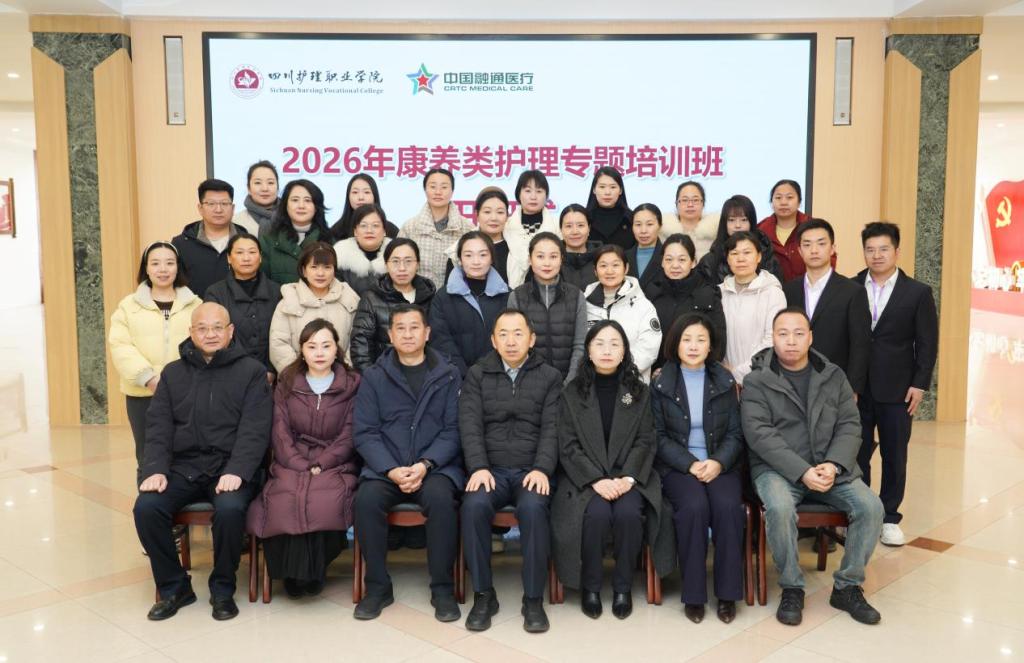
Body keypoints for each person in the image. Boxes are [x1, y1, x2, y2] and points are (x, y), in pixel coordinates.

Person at [741, 308, 884, 627]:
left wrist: (833, 464)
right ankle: (792, 586)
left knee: (871, 507)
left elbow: (850, 424)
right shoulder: (757, 381)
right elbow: (760, 435)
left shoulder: (834, 376)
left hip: (830, 468)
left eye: (798, 333)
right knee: (779, 508)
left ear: (810, 338)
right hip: (778, 469)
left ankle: (847, 587)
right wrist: (802, 472)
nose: (791, 341)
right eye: (783, 334)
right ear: (772, 338)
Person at [133, 302, 272, 622]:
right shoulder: (173, 374)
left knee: (230, 509)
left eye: (217, 328)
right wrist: (154, 469)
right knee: (147, 507)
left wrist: (238, 470)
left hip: (229, 466)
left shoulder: (251, 372)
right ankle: (174, 587)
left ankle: (222, 588)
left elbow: (255, 429)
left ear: (230, 331)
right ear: (191, 332)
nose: (210, 334)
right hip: (183, 467)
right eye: (202, 328)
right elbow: (158, 428)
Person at [552, 320, 671, 620]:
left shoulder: (639, 392)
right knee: (597, 514)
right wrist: (595, 480)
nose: (607, 351)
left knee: (628, 514)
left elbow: (646, 440)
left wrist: (627, 478)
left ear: (624, 352)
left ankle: (622, 587)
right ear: (588, 350)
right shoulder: (572, 393)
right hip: (585, 477)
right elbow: (568, 446)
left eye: (614, 344)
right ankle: (591, 587)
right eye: (600, 344)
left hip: (629, 476)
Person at [352, 304, 464, 622]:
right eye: (400, 328)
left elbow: (453, 430)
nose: (408, 334)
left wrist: (425, 464)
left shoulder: (448, 374)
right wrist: (390, 469)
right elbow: (365, 432)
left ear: (427, 333)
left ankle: (442, 589)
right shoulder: (374, 376)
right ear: (390, 335)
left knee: (442, 500)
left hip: (435, 467)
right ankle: (377, 587)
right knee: (366, 501)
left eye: (414, 327)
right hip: (386, 468)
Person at [459, 309, 562, 633]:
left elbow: (553, 428)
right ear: (493, 340)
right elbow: (470, 426)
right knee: (473, 506)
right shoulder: (477, 374)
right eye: (503, 334)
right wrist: (478, 466)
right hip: (490, 470)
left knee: (533, 508)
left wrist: (542, 468)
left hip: (531, 470)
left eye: (518, 333)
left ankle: (532, 599)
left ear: (532, 339)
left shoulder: (550, 377)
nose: (511, 341)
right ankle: (483, 595)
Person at [246, 319, 360, 597]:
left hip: (336, 462)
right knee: (285, 496)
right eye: (311, 346)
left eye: (326, 346)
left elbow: (350, 433)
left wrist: (323, 463)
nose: (319, 352)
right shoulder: (287, 382)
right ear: (302, 350)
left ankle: (314, 571)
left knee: (323, 498)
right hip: (291, 459)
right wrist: (298, 463)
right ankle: (290, 574)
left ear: (337, 349)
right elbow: (279, 430)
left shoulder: (353, 383)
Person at [651, 313, 744, 623]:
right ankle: (694, 595)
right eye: (686, 339)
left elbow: (735, 434)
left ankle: (727, 594)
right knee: (693, 507)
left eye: (700, 340)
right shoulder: (661, 382)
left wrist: (717, 462)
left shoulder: (725, 382)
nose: (693, 346)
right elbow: (657, 437)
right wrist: (690, 464)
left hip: (719, 464)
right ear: (675, 344)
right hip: (678, 467)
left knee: (728, 507)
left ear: (711, 346)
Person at [855, 222, 938, 546]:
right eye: (870, 249)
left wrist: (920, 384)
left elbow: (927, 343)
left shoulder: (917, 292)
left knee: (894, 455)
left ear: (897, 251)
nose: (876, 255)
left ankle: (890, 517)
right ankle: (862, 513)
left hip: (899, 388)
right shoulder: (850, 287)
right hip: (857, 388)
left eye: (883, 249)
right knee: (856, 453)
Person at [109, 242, 200, 469]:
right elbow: (120, 345)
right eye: (155, 263)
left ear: (178, 267)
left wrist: (181, 381)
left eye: (169, 263)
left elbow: (203, 345)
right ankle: (150, 490)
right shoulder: (128, 306)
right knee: (148, 452)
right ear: (146, 268)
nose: (163, 269)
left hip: (187, 392)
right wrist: (148, 378)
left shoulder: (195, 304)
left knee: (186, 451)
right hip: (143, 393)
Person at [781, 218, 871, 396]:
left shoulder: (853, 291)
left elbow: (860, 345)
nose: (814, 250)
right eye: (807, 245)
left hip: (836, 384)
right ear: (799, 250)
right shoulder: (788, 290)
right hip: (793, 383)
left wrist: (852, 389)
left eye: (821, 244)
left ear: (832, 248)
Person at [506, 232, 586, 382]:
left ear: (561, 259)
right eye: (540, 256)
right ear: (530, 259)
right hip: (528, 383)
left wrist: (569, 383)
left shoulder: (576, 296)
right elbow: (514, 345)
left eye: (553, 256)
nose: (547, 263)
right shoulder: (517, 296)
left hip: (569, 383)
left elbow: (580, 345)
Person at [269, 242, 360, 373]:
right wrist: (298, 376)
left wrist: (343, 373)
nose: (320, 273)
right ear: (304, 271)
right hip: (297, 379)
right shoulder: (288, 301)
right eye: (314, 267)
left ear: (334, 270)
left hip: (343, 378)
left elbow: (357, 342)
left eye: (327, 267)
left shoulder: (349, 299)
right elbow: (278, 344)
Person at [429, 231, 510, 376]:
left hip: (499, 376)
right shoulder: (443, 297)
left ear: (492, 258)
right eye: (468, 255)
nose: (476, 261)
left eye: (483, 255)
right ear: (459, 259)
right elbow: (441, 341)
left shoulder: (507, 296)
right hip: (455, 377)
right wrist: (464, 375)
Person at [350, 238, 436, 371]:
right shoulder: (371, 298)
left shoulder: (430, 296)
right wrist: (373, 378)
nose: (402, 268)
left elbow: (440, 341)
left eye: (408, 261)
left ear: (418, 264)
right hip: (383, 374)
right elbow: (361, 345)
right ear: (386, 264)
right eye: (395, 261)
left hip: (425, 373)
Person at [204, 233, 281, 377]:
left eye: (252, 252)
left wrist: (271, 369)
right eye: (239, 252)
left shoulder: (276, 291)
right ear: (229, 258)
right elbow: (215, 336)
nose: (246, 258)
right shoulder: (215, 293)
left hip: (271, 375)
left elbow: (281, 334)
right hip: (229, 373)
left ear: (260, 257)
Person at [645, 234, 726, 369]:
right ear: (662, 262)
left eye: (682, 259)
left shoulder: (708, 295)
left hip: (695, 372)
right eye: (669, 259)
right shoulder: (651, 293)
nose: (675, 265)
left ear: (693, 262)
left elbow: (718, 345)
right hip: (655, 373)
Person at [583, 245, 661, 381]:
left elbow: (649, 349)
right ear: (595, 271)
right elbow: (580, 345)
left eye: (615, 265)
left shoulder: (643, 306)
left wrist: (621, 372)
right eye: (603, 266)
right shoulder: (584, 304)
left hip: (632, 382)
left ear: (626, 268)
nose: (609, 271)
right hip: (592, 381)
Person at [718, 231, 786, 385]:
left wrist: (737, 372)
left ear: (759, 257)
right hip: (724, 380)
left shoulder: (773, 293)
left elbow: (772, 340)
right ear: (728, 259)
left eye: (747, 252)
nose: (741, 258)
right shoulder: (719, 293)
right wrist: (723, 372)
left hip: (761, 380)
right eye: (734, 253)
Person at [399, 168, 474, 288]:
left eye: (444, 187)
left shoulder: (467, 228)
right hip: (417, 295)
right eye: (433, 187)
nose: (438, 192)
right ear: (425, 190)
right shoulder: (410, 227)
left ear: (452, 191)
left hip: (454, 295)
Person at [172, 179, 246, 298]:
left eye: (224, 204)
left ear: (233, 208)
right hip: (196, 309)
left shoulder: (247, 242)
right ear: (200, 208)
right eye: (211, 204)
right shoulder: (181, 244)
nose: (218, 209)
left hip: (238, 309)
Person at [758, 179, 836, 282]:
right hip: (770, 289)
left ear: (799, 202)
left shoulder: (814, 228)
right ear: (772, 203)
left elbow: (829, 258)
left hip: (809, 288)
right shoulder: (761, 230)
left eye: (789, 197)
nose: (783, 202)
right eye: (778, 198)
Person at [697, 194, 783, 286]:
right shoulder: (709, 261)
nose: (737, 225)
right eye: (731, 220)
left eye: (744, 220)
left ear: (752, 222)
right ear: (724, 224)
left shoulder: (767, 255)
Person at [260, 179, 332, 285]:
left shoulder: (331, 240)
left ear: (316, 206)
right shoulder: (268, 241)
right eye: (295, 200)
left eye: (308, 200)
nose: (301, 206)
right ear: (285, 205)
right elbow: (262, 283)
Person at [505, 170, 560, 287]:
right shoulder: (506, 226)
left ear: (546, 195)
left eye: (539, 191)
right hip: (513, 290)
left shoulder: (558, 226)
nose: (533, 197)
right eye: (528, 191)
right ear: (518, 194)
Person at [447, 188, 511, 285]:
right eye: (487, 212)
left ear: (507, 216)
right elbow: (449, 289)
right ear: (477, 214)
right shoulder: (457, 250)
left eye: (500, 212)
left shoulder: (518, 248)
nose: (494, 218)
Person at [333, 203, 391, 297]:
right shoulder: (339, 257)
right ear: (355, 231)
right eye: (363, 226)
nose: (369, 230)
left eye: (375, 225)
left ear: (384, 231)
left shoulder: (396, 256)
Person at [330, 173, 399, 241]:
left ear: (374, 196)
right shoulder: (336, 231)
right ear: (348, 197)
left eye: (366, 192)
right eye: (355, 192)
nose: (361, 197)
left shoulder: (391, 230)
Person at [660, 181, 718, 260]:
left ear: (703, 203)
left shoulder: (716, 232)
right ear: (676, 204)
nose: (690, 205)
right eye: (685, 200)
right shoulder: (662, 233)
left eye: (695, 200)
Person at [585, 166, 634, 250]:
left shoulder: (630, 218)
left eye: (613, 187)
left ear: (620, 190)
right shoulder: (584, 218)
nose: (607, 192)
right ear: (594, 190)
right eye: (602, 187)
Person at [232, 160, 279, 237]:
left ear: (277, 187)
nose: (265, 188)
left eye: (270, 183)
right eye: (258, 183)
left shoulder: (291, 218)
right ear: (248, 188)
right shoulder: (236, 221)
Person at [624, 203, 664, 291]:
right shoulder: (623, 257)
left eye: (649, 224)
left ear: (660, 226)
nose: (643, 231)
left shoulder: (668, 257)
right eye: (638, 224)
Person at [559, 204, 599, 290]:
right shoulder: (552, 259)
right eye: (568, 226)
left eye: (580, 225)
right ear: (561, 229)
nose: (575, 232)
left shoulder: (601, 258)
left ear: (589, 228)